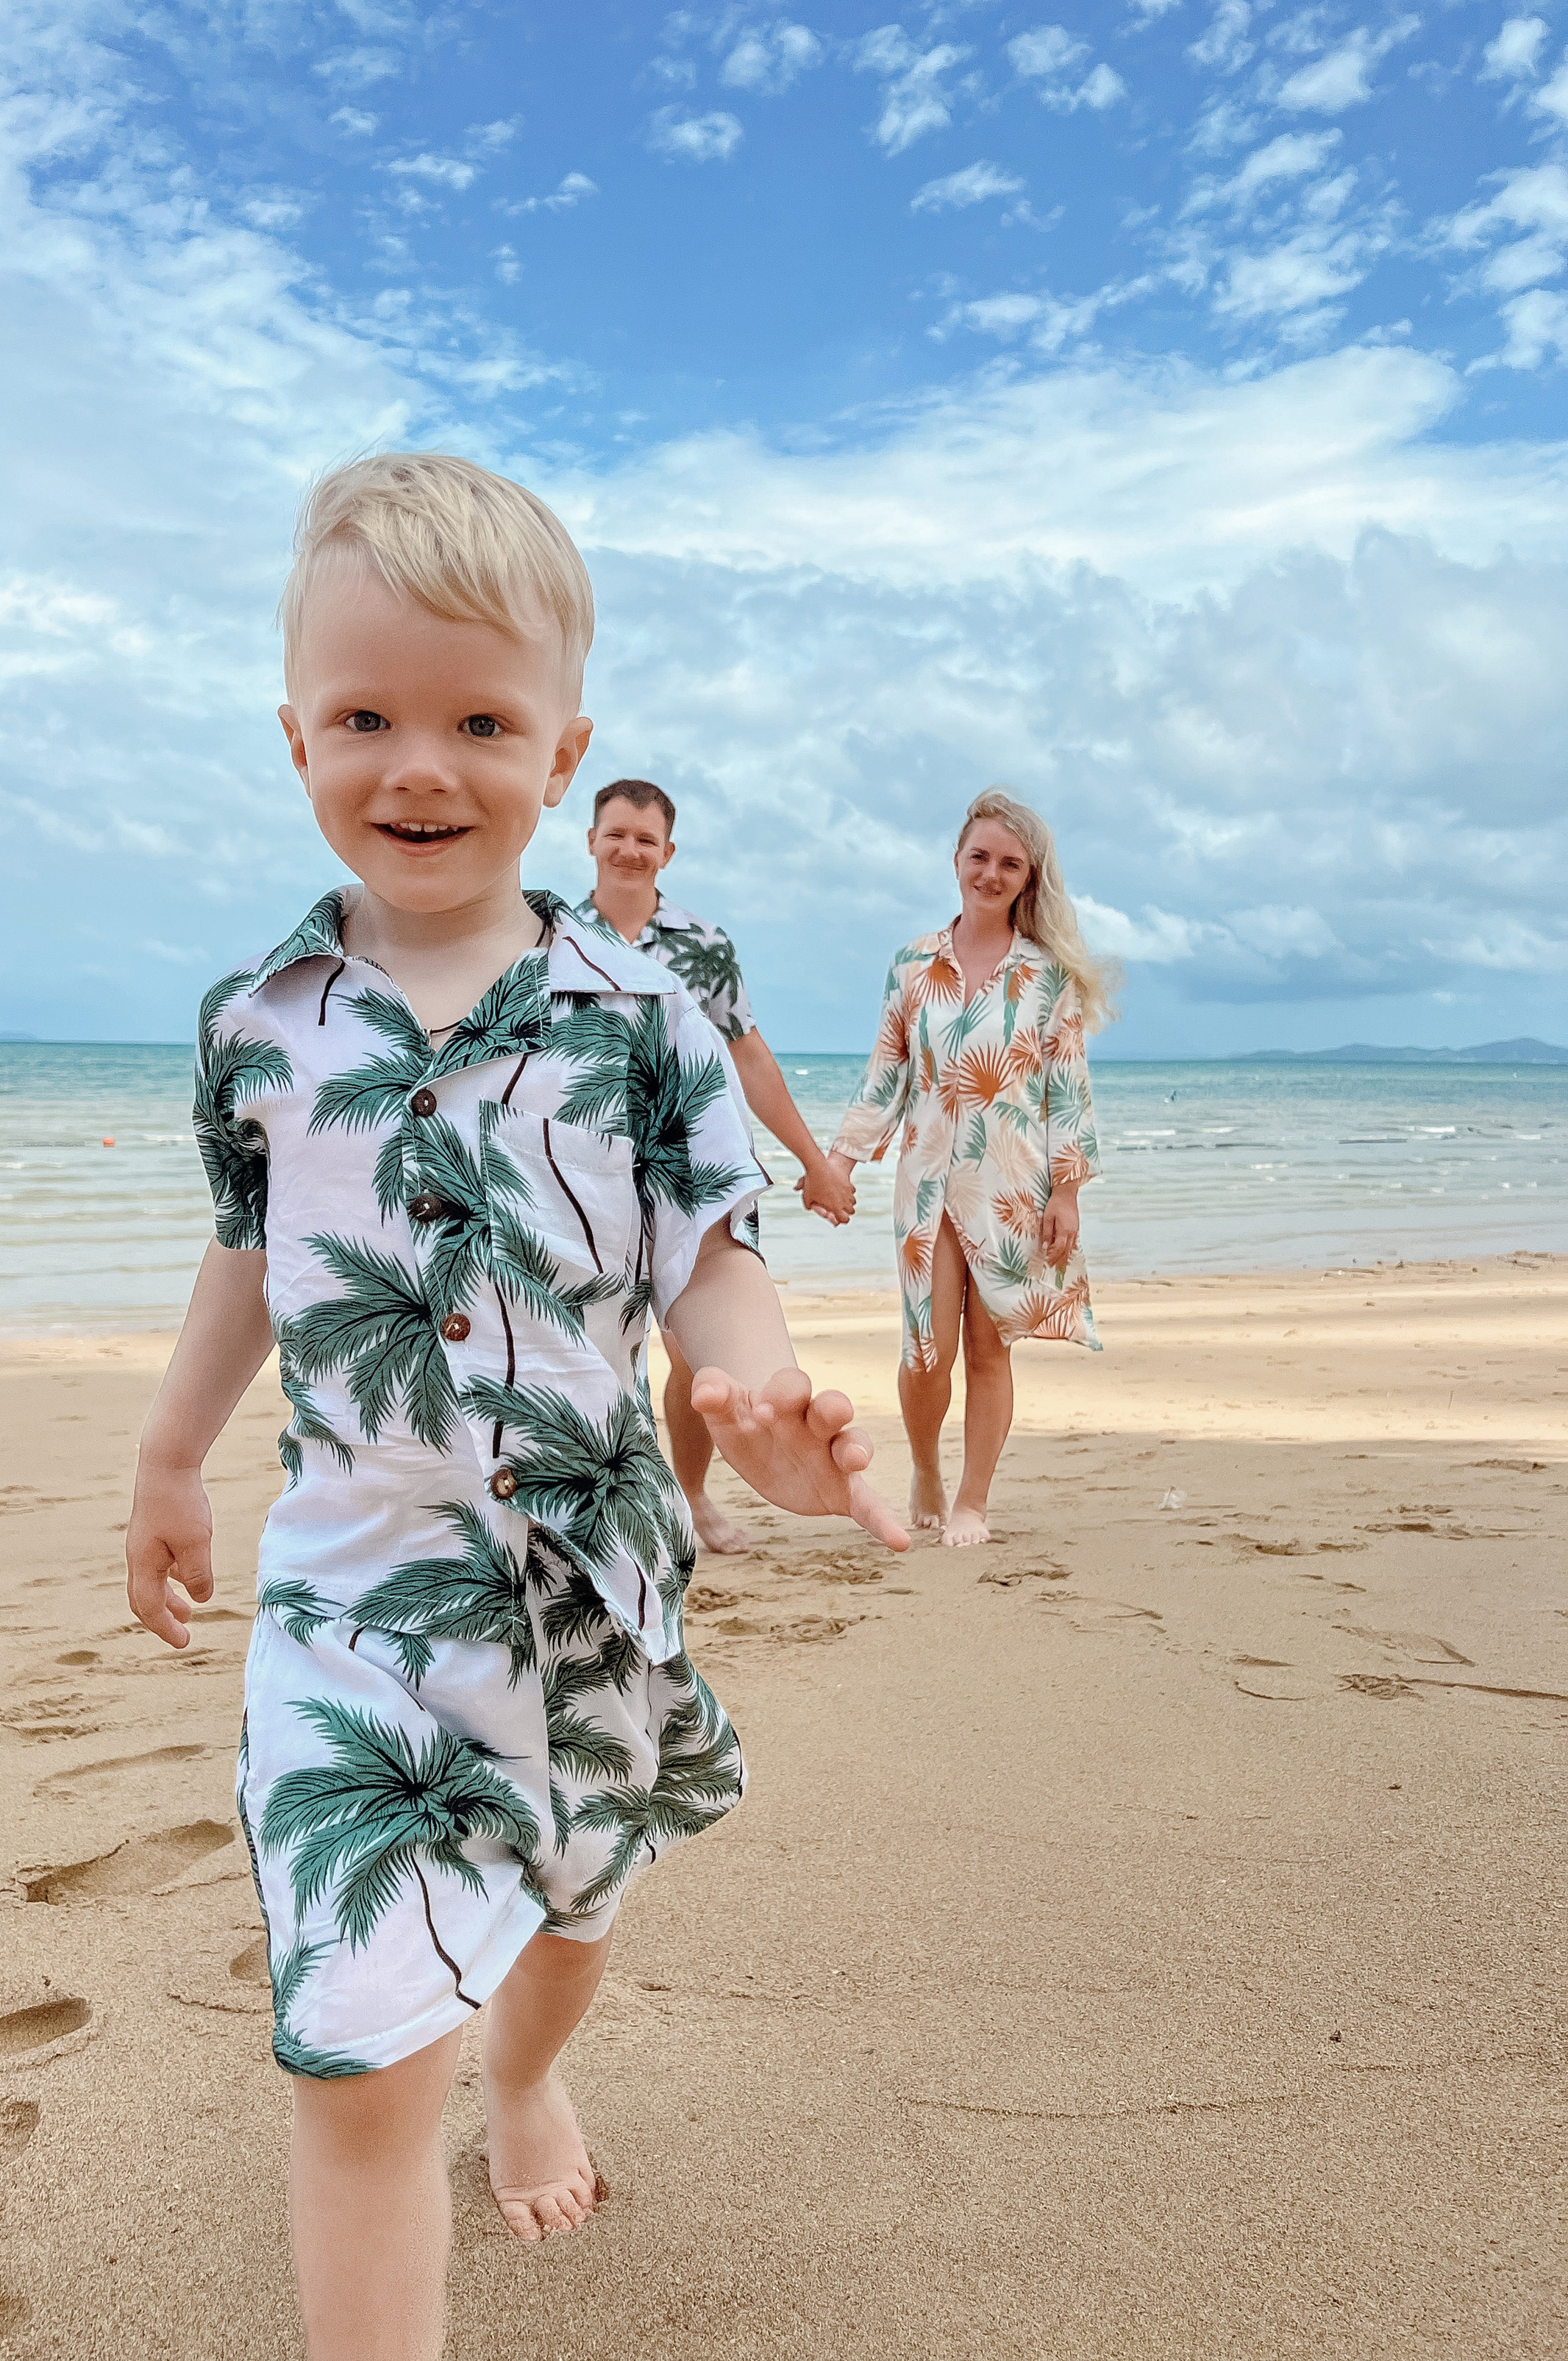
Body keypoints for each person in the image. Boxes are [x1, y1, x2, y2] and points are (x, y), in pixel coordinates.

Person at [124, 453, 907, 2361]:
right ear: (294, 732)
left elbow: (711, 1249)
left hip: (589, 1586)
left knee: (570, 1913)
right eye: (366, 717)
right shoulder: (254, 1022)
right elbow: (249, 1250)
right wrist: (167, 1451)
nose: (421, 765)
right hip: (351, 1594)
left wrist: (756, 1385)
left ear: (564, 752)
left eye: (480, 721)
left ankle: (530, 2075)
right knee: (354, 2054)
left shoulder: (642, 1015)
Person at [828, 788, 1116, 1547]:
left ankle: (973, 1502)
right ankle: (925, 1464)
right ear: (956, 860)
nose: (991, 873)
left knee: (989, 1349)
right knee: (927, 1349)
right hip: (925, 1181)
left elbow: (1067, 1090)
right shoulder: (911, 965)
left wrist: (1067, 1192)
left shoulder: (1048, 976)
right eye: (979, 857)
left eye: (1009, 864)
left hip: (1012, 1187)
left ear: (1029, 878)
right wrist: (840, 1159)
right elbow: (886, 1071)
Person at [575, 780, 856, 1555]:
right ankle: (605, 1504)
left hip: (690, 1171)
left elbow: (749, 1056)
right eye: (616, 833)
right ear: (591, 840)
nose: (630, 849)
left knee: (690, 1353)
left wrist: (815, 1164)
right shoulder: (552, 937)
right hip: (586, 1172)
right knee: (591, 1343)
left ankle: (689, 1494)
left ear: (668, 851)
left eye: (646, 838)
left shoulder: (703, 945)